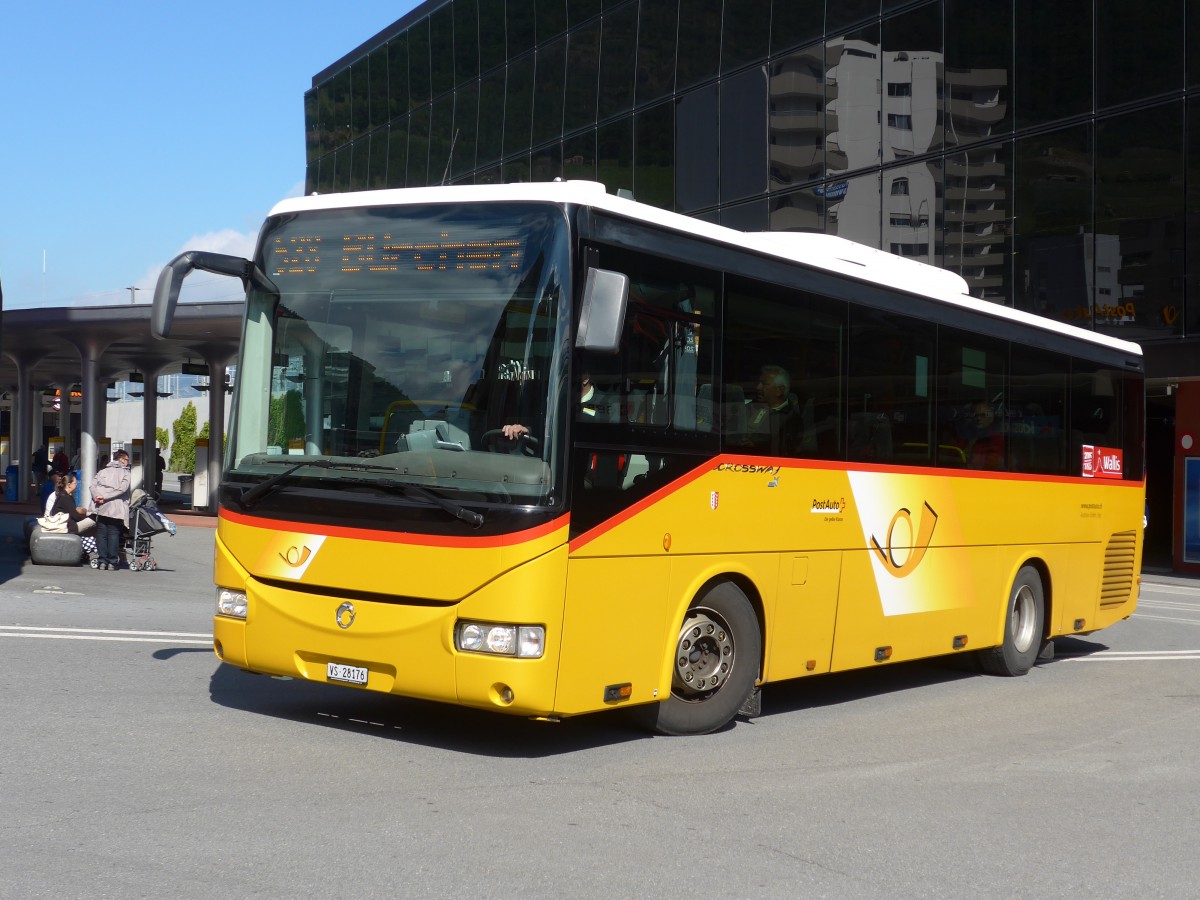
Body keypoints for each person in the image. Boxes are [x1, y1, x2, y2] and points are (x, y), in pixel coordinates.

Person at [746, 365, 803, 456]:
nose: (758, 387)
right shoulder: (749, 408)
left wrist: (754, 447)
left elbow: (783, 451)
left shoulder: (791, 419)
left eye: (764, 384)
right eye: (759, 383)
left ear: (779, 391)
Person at [90, 448, 131, 570]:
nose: (128, 462)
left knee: (101, 533)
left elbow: (92, 485)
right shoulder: (126, 473)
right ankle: (112, 562)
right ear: (121, 459)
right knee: (113, 533)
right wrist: (106, 497)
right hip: (116, 508)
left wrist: (98, 497)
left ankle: (102, 560)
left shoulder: (103, 471)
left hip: (101, 506)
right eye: (126, 459)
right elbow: (122, 489)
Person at [966, 399, 1005, 469]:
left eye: (983, 415)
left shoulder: (995, 439)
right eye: (976, 415)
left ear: (992, 417)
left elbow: (991, 465)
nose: (978, 418)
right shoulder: (970, 435)